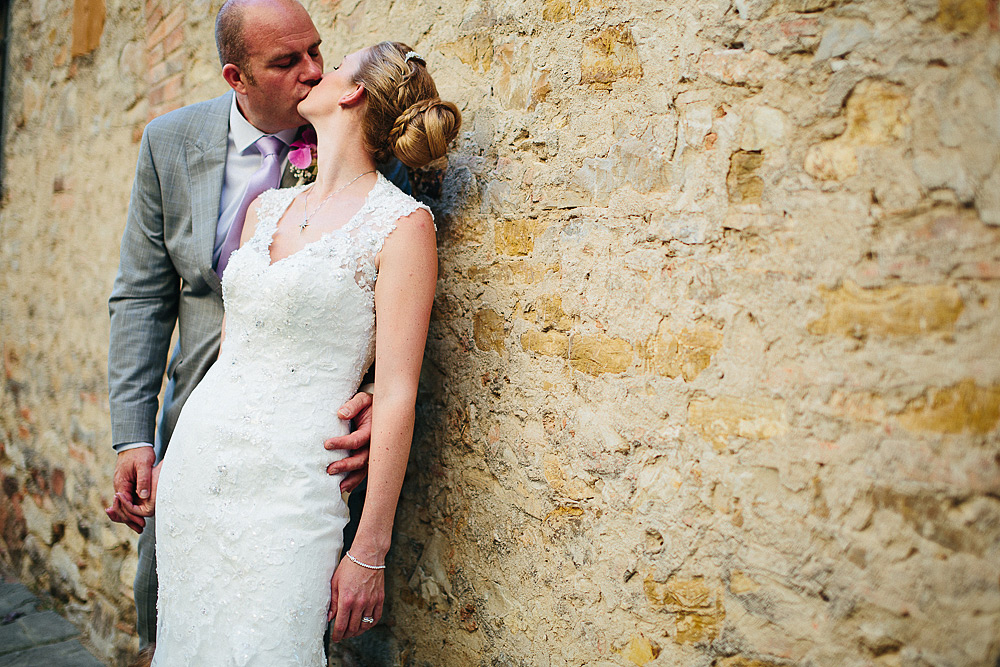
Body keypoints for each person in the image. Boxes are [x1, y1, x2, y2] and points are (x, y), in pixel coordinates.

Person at [113, 40, 461, 664]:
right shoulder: (266, 209)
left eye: (331, 65)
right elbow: (231, 350)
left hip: (299, 484)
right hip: (201, 467)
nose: (315, 74)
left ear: (350, 93)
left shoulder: (402, 224)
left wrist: (369, 550)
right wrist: (172, 455)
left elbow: (400, 390)